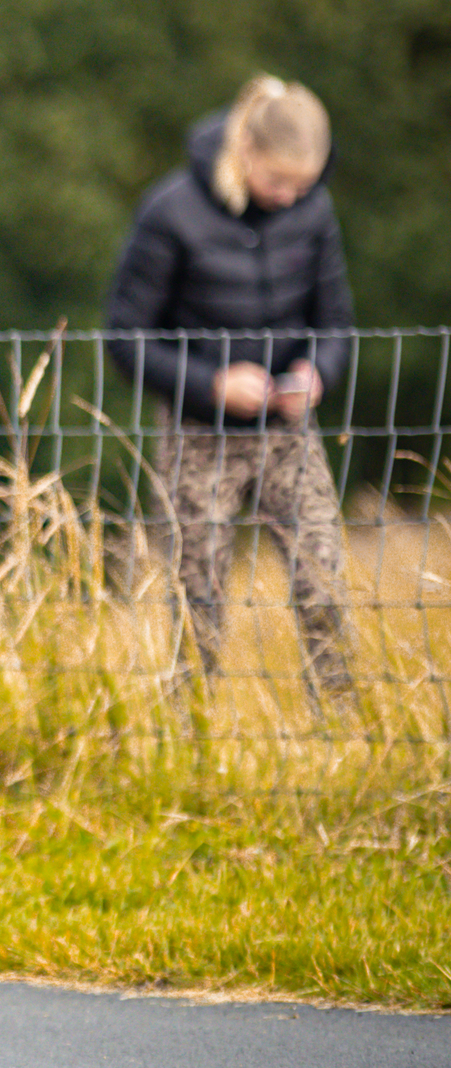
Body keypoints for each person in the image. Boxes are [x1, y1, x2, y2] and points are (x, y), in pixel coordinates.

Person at [105, 75, 354, 701]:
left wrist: (315, 375)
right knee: (199, 602)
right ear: (243, 148)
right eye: (277, 181)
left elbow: (336, 324)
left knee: (325, 586)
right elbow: (124, 338)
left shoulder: (315, 211)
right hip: (198, 437)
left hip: (287, 431)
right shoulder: (171, 212)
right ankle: (190, 740)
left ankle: (346, 729)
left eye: (304, 183)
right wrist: (212, 386)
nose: (290, 196)